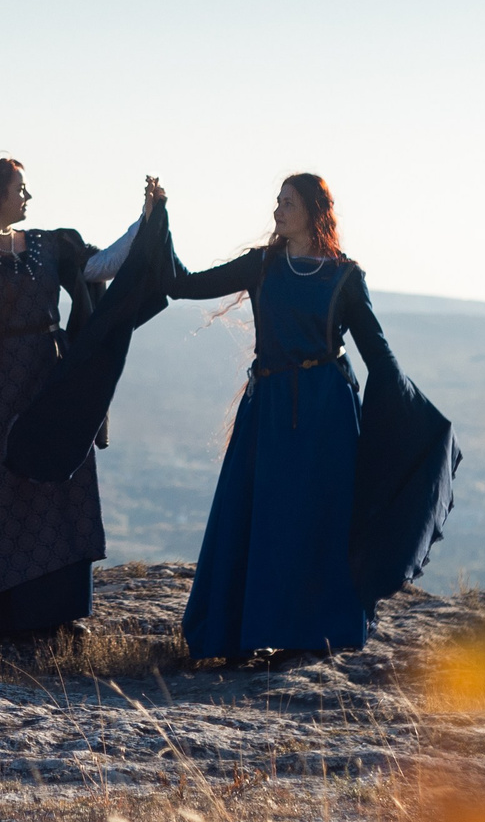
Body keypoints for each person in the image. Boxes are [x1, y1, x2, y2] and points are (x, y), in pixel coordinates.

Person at [166, 173, 457, 661]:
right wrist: (159, 220)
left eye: (288, 202)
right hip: (269, 410)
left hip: (327, 415)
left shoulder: (344, 276)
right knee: (258, 517)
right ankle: (241, 633)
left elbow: (376, 353)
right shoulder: (262, 266)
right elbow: (183, 284)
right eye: (276, 201)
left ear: (313, 212)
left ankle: (315, 635)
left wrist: (416, 421)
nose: (277, 211)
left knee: (320, 522)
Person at [0, 158, 161, 638]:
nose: (28, 197)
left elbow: (102, 265)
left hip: (47, 386)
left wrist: (145, 219)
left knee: (53, 490)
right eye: (21, 188)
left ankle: (50, 613)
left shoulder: (50, 243)